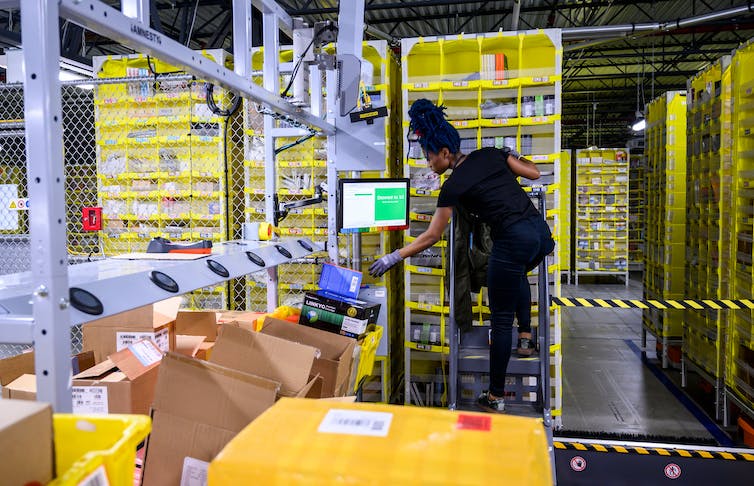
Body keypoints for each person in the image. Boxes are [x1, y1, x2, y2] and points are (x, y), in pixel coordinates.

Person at [368, 99, 555, 413]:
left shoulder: (452, 187)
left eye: (429, 158)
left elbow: (431, 236)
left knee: (499, 321)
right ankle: (525, 336)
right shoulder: (491, 154)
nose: (428, 164)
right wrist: (510, 156)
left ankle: (495, 397)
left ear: (444, 153)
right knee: (516, 275)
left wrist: (394, 257)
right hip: (540, 235)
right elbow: (534, 174)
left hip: (511, 240)